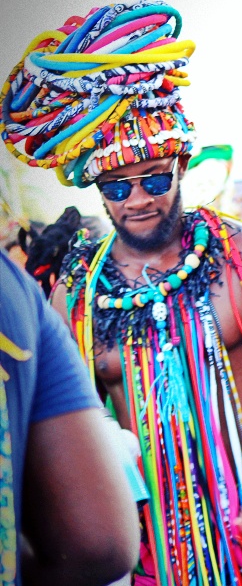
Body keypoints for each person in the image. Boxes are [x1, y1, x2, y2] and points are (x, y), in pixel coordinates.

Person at [0, 0, 242, 585]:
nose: (139, 199)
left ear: (180, 165)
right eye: (117, 187)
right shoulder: (76, 292)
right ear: (99, 191)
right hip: (147, 558)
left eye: (154, 177)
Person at [0, 251, 141, 586]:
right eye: (117, 192)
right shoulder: (23, 289)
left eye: (155, 191)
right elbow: (99, 545)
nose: (136, 200)